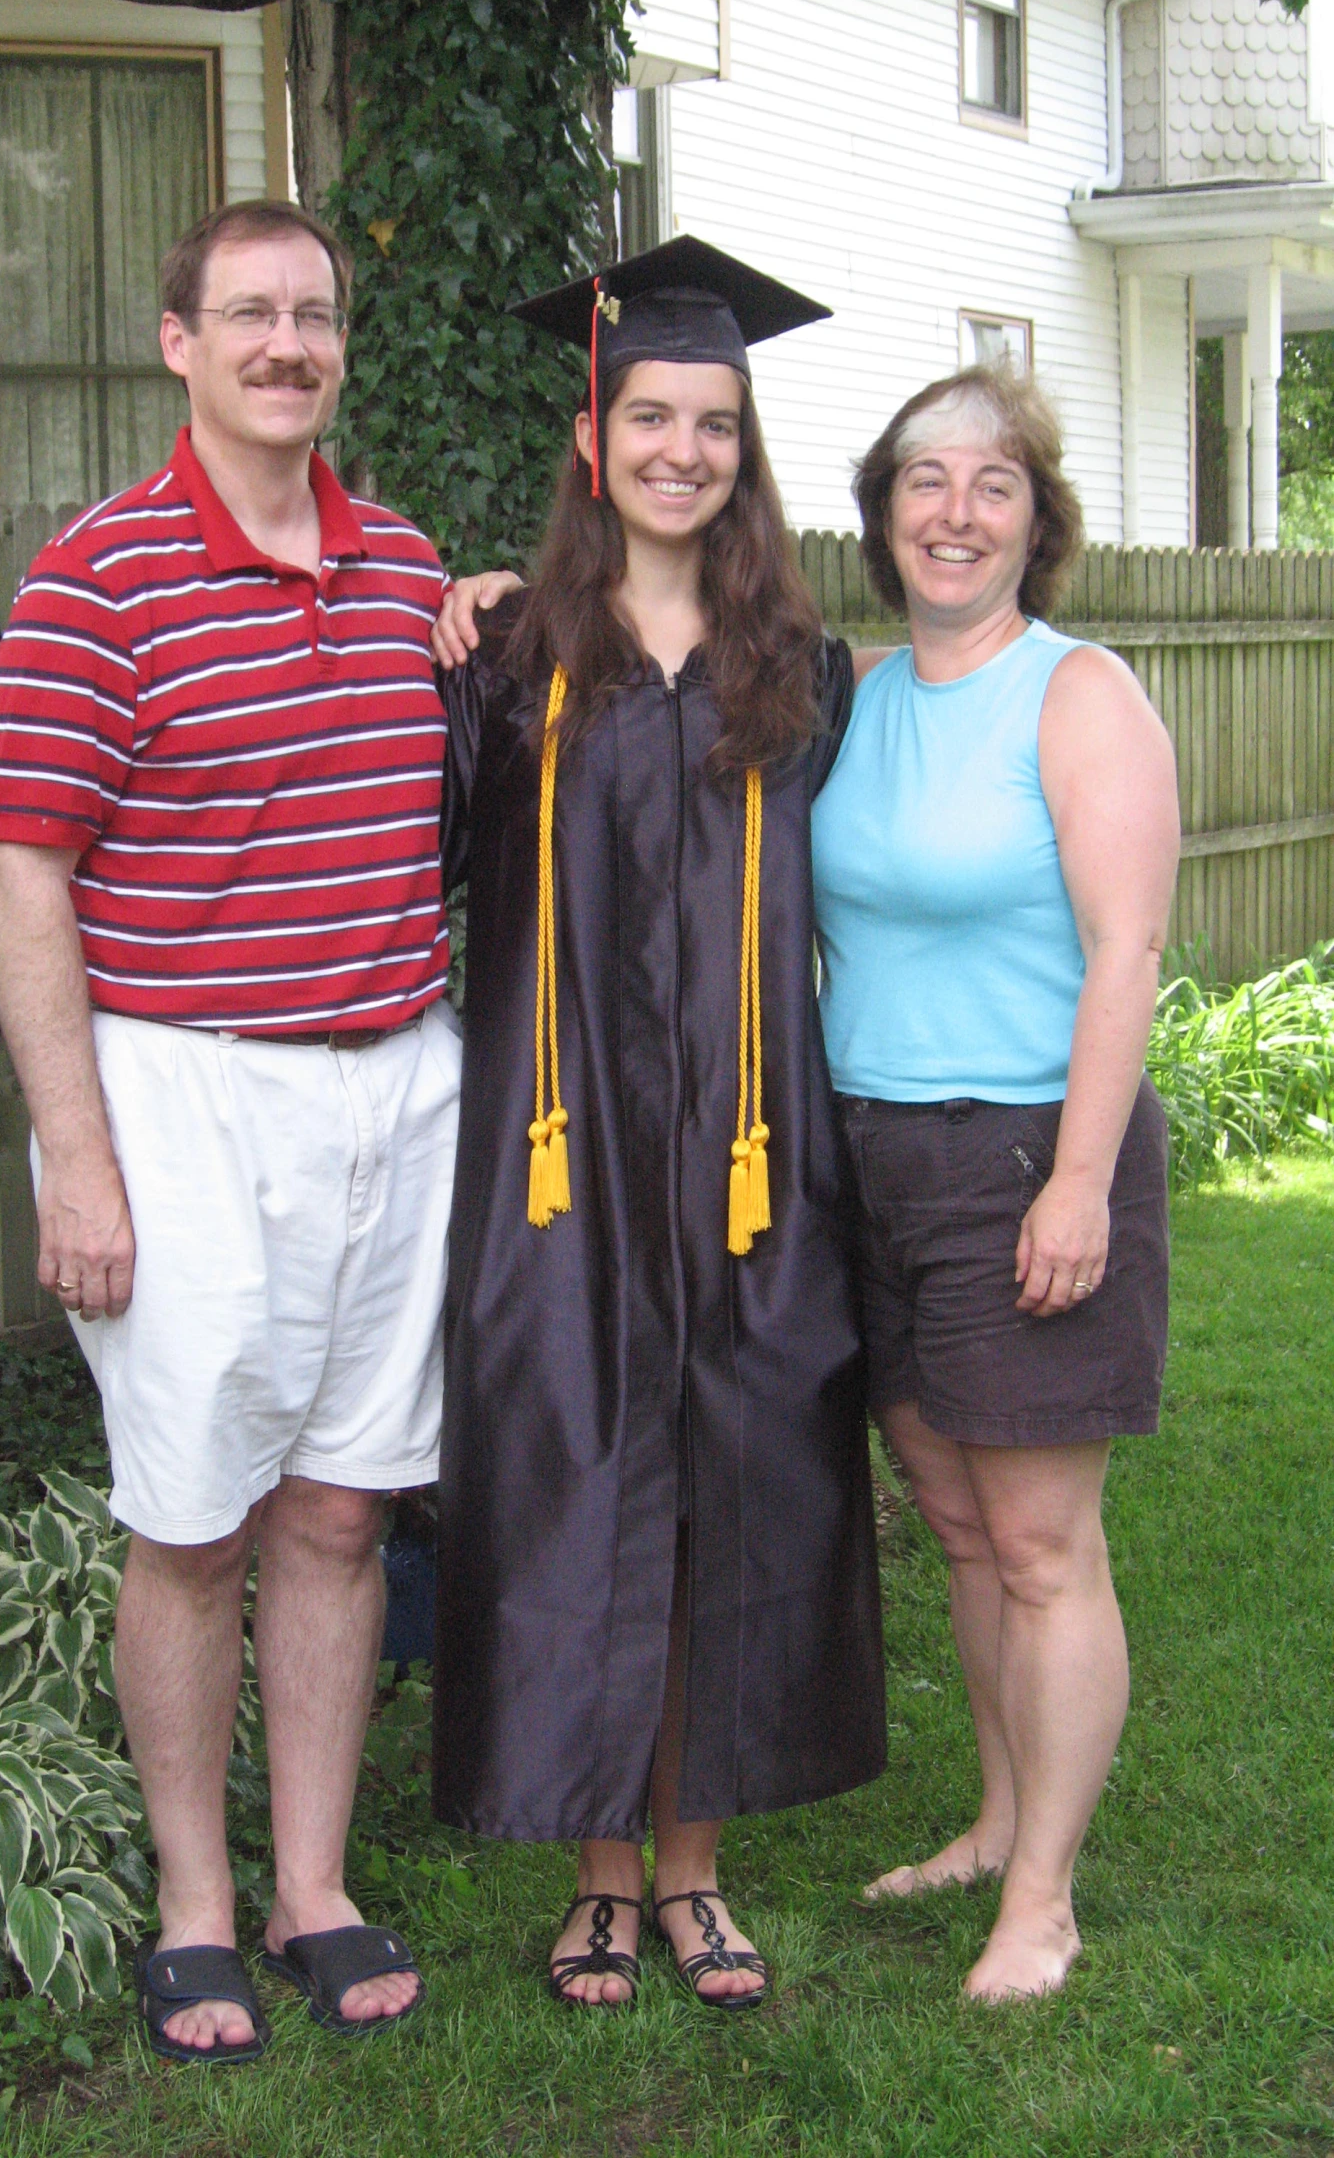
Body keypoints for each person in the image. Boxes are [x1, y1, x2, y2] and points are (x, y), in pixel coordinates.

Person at [0, 199, 460, 2061]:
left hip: (391, 1078)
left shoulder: (400, 558)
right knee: (190, 1522)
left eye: (313, 316)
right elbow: (23, 872)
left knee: (339, 1510)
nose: (285, 344)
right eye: (247, 313)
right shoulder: (100, 576)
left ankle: (310, 1883)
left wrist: (479, 603)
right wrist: (77, 1157)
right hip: (182, 1088)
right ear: (177, 340)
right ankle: (196, 1902)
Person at [432, 237, 886, 2012]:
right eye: (648, 416)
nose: (680, 450)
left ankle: (694, 1870)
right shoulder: (508, 655)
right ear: (589, 434)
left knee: (741, 1473)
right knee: (569, 1477)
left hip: (749, 1154)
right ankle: (596, 1874)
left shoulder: (804, 667)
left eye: (713, 422)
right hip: (562, 1154)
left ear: (743, 447)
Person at [810, 362, 1181, 2001]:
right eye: (922, 481)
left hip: (1027, 1146)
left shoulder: (1075, 692)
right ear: (882, 511)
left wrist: (1079, 1182)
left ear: (1039, 520)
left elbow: (1127, 953)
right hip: (867, 1152)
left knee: (1041, 1544)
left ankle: (1041, 1898)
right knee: (956, 1529)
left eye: (991, 484)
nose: (953, 513)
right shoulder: (861, 694)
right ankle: (992, 1818)